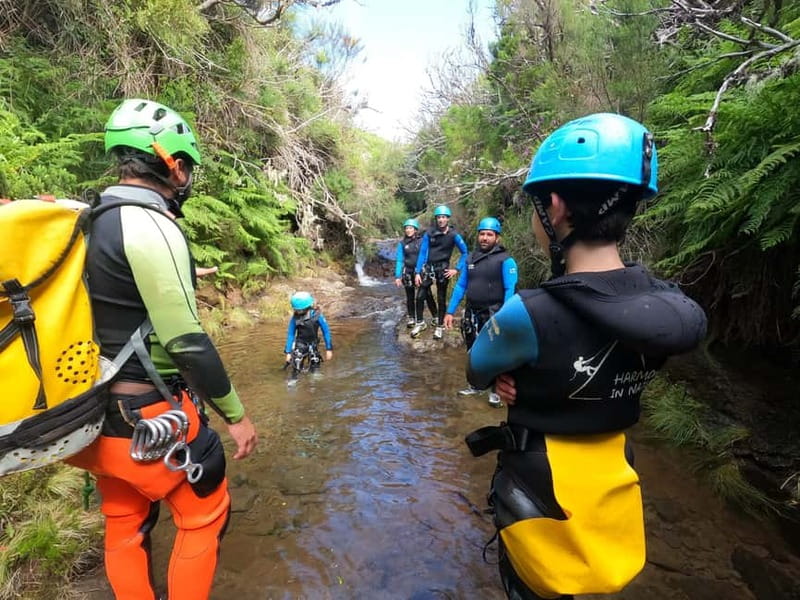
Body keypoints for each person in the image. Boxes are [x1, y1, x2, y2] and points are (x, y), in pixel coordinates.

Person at [464, 113, 707, 600]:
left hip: (540, 484)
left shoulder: (527, 314)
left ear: (554, 207)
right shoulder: (662, 306)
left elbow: (477, 370)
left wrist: (505, 377)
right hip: (610, 481)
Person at [65, 98, 258, 600]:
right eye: (186, 165)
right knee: (205, 515)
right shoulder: (153, 225)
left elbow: (114, 287)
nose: (187, 175)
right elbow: (186, 342)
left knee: (124, 522)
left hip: (91, 414)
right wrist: (236, 416)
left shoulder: (91, 220)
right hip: (149, 415)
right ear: (172, 163)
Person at [443, 217, 518, 407]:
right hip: (472, 313)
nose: (484, 238)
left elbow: (510, 289)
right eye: (482, 234)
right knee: (473, 351)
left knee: (496, 353)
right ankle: (476, 385)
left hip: (495, 313)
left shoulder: (506, 261)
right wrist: (450, 311)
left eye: (489, 234)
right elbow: (460, 286)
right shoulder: (470, 259)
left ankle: (495, 391)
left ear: (497, 237)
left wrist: (505, 316)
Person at [412, 204, 468, 339]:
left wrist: (456, 269)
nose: (441, 220)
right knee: (420, 295)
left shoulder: (454, 235)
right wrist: (418, 272)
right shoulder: (429, 233)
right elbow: (423, 252)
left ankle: (440, 326)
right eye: (438, 217)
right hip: (429, 268)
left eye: (443, 217)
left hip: (443, 269)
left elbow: (465, 252)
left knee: (442, 298)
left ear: (448, 219)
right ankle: (420, 322)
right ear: (436, 219)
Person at [394, 218, 437, 329]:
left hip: (421, 271)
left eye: (410, 228)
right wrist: (398, 276)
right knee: (410, 296)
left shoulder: (422, 241)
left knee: (427, 294)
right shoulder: (402, 244)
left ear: (415, 229)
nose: (408, 230)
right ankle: (412, 317)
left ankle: (435, 316)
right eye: (407, 228)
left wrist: (429, 270)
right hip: (408, 271)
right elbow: (399, 259)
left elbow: (427, 256)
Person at [284, 291, 333, 376]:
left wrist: (329, 349)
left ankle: (314, 380)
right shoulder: (295, 318)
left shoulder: (317, 316)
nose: (296, 311)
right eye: (295, 309)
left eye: (298, 310)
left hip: (313, 344)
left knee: (315, 365)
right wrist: (288, 352)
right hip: (300, 344)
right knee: (297, 366)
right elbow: (291, 334)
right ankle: (294, 380)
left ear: (306, 307)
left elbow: (326, 332)